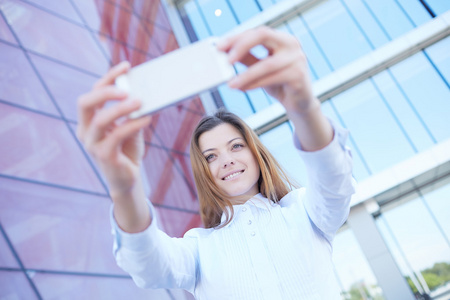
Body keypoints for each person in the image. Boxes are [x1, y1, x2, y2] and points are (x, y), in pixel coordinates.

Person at [76, 27, 355, 299]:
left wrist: (303, 108)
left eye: (236, 146)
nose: (227, 160)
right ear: (202, 171)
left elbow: (334, 182)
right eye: (211, 156)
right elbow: (146, 264)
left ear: (256, 154)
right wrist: (125, 189)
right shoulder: (198, 250)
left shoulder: (304, 211)